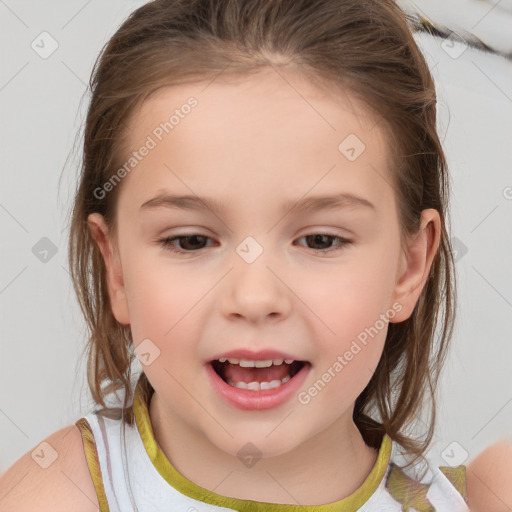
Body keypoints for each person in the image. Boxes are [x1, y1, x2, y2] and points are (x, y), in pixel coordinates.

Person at [0, 0, 509, 510]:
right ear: (116, 269)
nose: (255, 297)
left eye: (320, 240)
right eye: (191, 241)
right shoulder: (54, 495)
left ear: (409, 266)